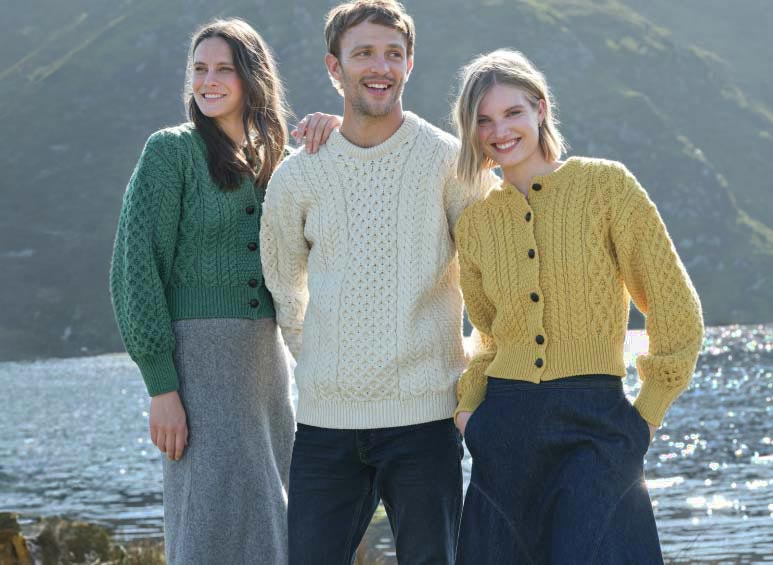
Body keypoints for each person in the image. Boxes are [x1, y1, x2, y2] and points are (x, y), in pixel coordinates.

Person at [446, 49, 705, 564]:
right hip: (505, 429)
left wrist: (646, 419)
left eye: (513, 112)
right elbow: (489, 337)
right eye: (484, 120)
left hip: (598, 426)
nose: (500, 130)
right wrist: (470, 416)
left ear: (540, 108)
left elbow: (677, 310)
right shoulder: (476, 223)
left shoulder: (605, 187)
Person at [257, 1, 491, 562]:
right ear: (334, 67)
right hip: (325, 421)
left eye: (393, 53)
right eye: (363, 53)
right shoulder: (298, 174)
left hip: (426, 419)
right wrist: (317, 357)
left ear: (410, 64)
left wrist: (475, 380)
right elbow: (284, 286)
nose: (379, 66)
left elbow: (492, 283)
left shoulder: (451, 163)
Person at [108, 18, 296, 564]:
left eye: (224, 69)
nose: (208, 81)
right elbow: (134, 268)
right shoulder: (171, 151)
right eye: (199, 69)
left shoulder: (273, 158)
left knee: (274, 512)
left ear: (252, 79)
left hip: (266, 363)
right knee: (209, 520)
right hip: (200, 362)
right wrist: (161, 387)